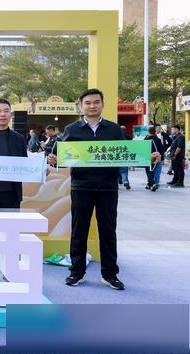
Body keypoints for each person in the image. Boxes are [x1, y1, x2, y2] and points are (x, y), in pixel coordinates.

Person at [47, 88, 127, 290]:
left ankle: (110, 274)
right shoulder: (71, 129)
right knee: (79, 231)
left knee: (108, 231)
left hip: (108, 187)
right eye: (88, 103)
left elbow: (129, 153)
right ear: (81, 106)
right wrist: (54, 159)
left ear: (102, 104)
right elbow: (61, 156)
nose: (92, 106)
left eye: (96, 102)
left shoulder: (115, 130)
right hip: (81, 187)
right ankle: (77, 272)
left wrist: (149, 157)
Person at [144, 126, 164, 191]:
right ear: (155, 132)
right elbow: (162, 149)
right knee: (156, 171)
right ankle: (154, 183)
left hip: (149, 158)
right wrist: (162, 158)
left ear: (148, 132)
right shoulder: (158, 140)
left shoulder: (146, 140)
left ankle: (151, 184)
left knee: (149, 171)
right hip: (157, 158)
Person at [118, 126, 132, 190]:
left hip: (117, 156)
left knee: (117, 170)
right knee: (124, 170)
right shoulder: (129, 137)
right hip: (125, 156)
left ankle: (119, 181)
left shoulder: (116, 137)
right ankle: (126, 181)